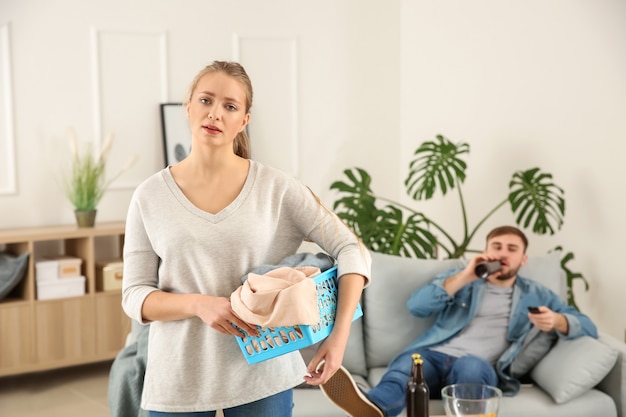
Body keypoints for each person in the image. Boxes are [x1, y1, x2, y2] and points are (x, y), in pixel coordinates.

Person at [121, 60, 371, 417]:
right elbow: (134, 295)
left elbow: (351, 248)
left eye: (230, 106)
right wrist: (198, 304)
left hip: (264, 374)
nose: (215, 114)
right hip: (178, 378)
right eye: (206, 100)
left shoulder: (277, 188)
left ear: (244, 121)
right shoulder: (149, 196)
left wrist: (339, 336)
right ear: (188, 106)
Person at [320, 225, 597, 417]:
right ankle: (374, 409)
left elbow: (588, 327)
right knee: (406, 367)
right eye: (496, 246)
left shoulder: (538, 294)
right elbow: (418, 306)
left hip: (478, 365)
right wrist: (468, 274)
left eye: (511, 249)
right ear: (485, 251)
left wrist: (558, 321)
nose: (502, 253)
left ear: (523, 259)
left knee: (471, 367)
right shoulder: (463, 279)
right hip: (433, 354)